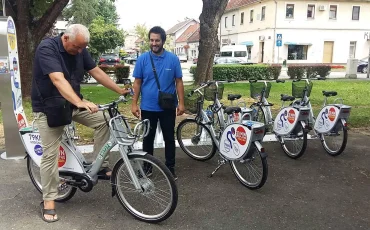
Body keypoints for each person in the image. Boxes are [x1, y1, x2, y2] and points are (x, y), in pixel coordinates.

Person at [31, 24, 130, 222]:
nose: (79, 52)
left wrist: (119, 90)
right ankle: (49, 200)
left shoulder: (80, 49)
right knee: (50, 154)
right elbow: (58, 80)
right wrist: (79, 102)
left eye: (82, 48)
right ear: (65, 38)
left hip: (73, 103)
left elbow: (96, 72)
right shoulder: (47, 48)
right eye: (77, 47)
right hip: (49, 107)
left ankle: (100, 165)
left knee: (105, 120)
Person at [131, 26, 185, 180]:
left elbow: (179, 82)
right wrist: (134, 104)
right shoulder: (142, 59)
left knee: (169, 137)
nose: (154, 43)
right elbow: (137, 83)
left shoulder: (172, 59)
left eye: (157, 40)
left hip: (167, 107)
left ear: (163, 41)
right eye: (152, 40)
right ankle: (147, 168)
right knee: (148, 139)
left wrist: (181, 103)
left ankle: (170, 168)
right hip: (148, 107)